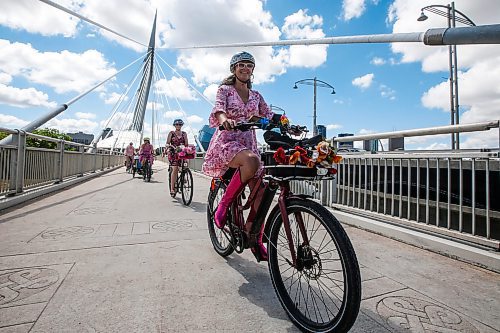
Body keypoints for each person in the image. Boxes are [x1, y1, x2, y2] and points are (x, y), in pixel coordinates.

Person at [202, 51, 274, 261]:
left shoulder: (256, 96)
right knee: (251, 160)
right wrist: (225, 119)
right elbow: (219, 110)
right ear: (234, 69)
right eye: (241, 65)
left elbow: (269, 115)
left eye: (249, 65)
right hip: (227, 142)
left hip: (249, 143)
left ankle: (255, 239)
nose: (245, 68)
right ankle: (222, 207)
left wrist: (288, 124)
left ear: (253, 70)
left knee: (262, 192)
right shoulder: (225, 90)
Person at [166, 119, 188, 197]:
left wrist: (188, 148)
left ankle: (183, 175)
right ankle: (172, 188)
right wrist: (169, 146)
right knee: (175, 168)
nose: (178, 126)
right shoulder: (171, 133)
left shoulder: (184, 134)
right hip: (173, 152)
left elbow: (186, 144)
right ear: (174, 125)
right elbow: (167, 143)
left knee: (185, 163)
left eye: (180, 124)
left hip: (181, 152)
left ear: (181, 125)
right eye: (177, 124)